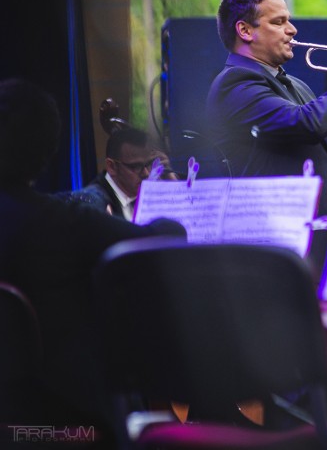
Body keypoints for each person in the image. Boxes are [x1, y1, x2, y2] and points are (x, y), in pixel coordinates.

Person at [0, 78, 187, 447]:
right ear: (48, 149)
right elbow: (164, 239)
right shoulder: (66, 222)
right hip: (65, 423)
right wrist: (167, 202)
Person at [205, 0, 327, 277]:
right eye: (279, 22)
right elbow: (308, 124)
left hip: (321, 239)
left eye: (288, 20)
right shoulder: (236, 83)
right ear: (245, 30)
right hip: (280, 247)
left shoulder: (295, 84)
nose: (292, 30)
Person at [67, 126, 176, 220]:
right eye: (136, 166)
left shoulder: (151, 194)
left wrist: (171, 179)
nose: (146, 173)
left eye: (148, 164)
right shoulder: (92, 203)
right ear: (112, 167)